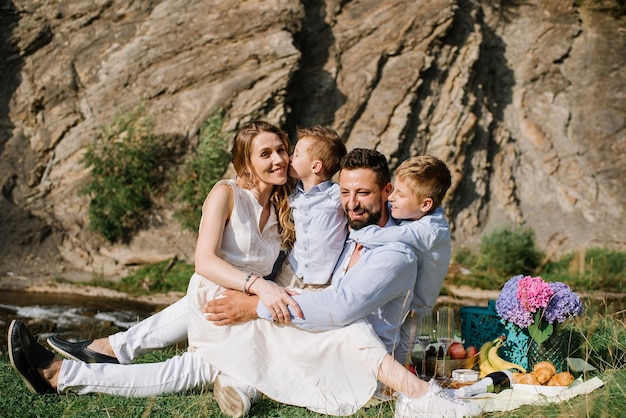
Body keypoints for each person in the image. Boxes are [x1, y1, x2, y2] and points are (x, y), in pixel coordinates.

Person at [9, 148, 482, 417]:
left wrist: (256, 303)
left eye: (365, 194)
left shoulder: (394, 252)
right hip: (314, 331)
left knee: (210, 332)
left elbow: (340, 309)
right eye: (345, 191)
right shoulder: (359, 226)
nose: (351, 202)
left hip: (342, 350)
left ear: (387, 196)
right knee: (205, 335)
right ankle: (71, 370)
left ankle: (85, 363)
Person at [349, 155, 452, 363]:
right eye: (393, 190)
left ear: (425, 204)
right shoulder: (417, 212)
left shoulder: (429, 231)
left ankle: (394, 388)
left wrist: (354, 227)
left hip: (416, 311)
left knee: (399, 358)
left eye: (400, 194)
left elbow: (381, 237)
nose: (391, 198)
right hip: (403, 297)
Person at [275, 125, 348, 289]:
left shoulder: (336, 195)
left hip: (322, 280)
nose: (290, 158)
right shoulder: (294, 194)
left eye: (297, 154)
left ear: (315, 167)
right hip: (292, 270)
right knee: (276, 310)